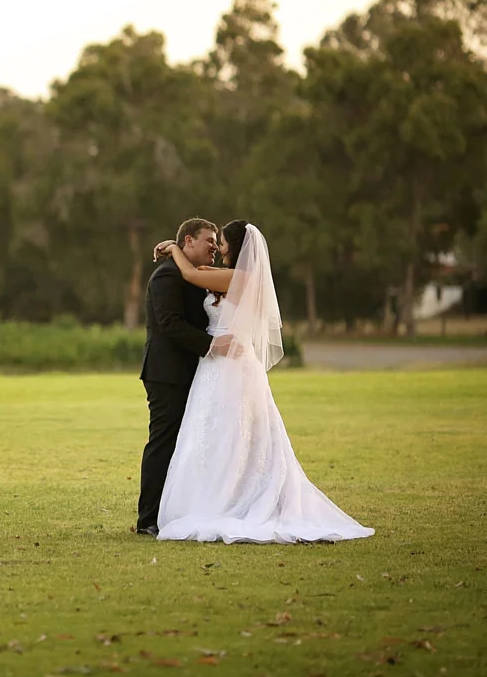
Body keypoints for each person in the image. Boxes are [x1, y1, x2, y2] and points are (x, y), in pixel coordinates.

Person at [150, 220, 374, 543]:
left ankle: (231, 499)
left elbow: (191, 275)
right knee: (219, 436)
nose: (219, 248)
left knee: (231, 435)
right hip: (217, 368)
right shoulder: (234, 277)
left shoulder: (240, 277)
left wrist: (173, 248)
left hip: (229, 367)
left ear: (237, 248)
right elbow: (198, 273)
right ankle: (221, 494)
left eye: (222, 243)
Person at [135, 218, 223, 536]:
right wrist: (213, 345)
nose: (214, 246)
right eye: (209, 240)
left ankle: (178, 510)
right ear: (188, 241)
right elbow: (169, 323)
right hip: (166, 374)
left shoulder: (197, 277)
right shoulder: (166, 276)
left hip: (196, 374)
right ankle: (148, 519)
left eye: (217, 242)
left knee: (189, 444)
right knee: (163, 442)